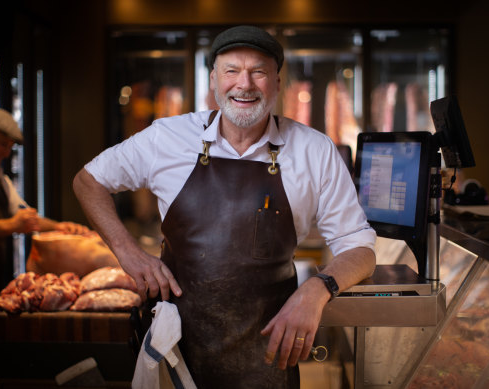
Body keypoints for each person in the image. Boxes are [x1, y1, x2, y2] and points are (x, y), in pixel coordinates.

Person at [73, 25, 376, 388]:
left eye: (258, 72)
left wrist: (317, 290)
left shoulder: (314, 150)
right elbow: (88, 181)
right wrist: (129, 253)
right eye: (231, 70)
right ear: (214, 81)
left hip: (267, 356)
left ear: (277, 83)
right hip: (175, 351)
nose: (244, 84)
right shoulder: (166, 137)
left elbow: (359, 246)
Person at [0, 108, 89, 348]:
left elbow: (23, 216)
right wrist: (10, 225)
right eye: (1, 144)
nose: (5, 152)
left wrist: (60, 227)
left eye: (9, 147)